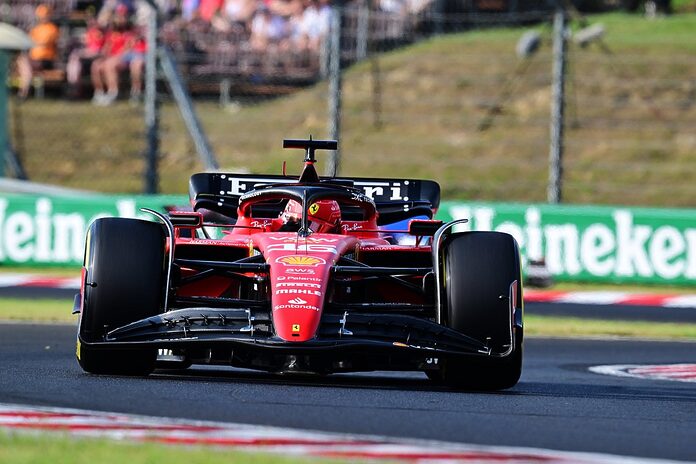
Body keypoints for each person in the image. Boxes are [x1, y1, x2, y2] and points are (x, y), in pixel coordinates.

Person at [90, 4, 146, 105]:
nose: (120, 19)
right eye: (119, 16)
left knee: (110, 65)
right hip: (113, 58)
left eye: (123, 16)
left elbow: (128, 49)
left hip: (125, 59)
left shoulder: (130, 32)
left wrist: (115, 57)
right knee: (96, 65)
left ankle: (114, 92)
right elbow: (106, 49)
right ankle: (99, 93)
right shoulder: (111, 32)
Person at [16, 4, 60, 99]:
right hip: (34, 59)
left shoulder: (52, 28)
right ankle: (25, 87)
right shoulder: (36, 29)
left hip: (46, 60)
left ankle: (24, 91)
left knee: (24, 62)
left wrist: (35, 42)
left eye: (44, 15)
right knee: (22, 60)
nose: (42, 17)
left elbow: (44, 43)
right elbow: (28, 42)